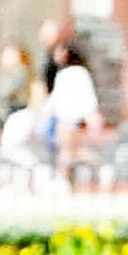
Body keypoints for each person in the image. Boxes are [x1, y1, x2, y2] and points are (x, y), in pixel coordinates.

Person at [46, 40, 101, 179]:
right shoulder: (78, 72)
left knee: (67, 150)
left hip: (67, 117)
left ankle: (63, 179)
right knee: (74, 150)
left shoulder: (70, 73)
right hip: (71, 117)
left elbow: (58, 97)